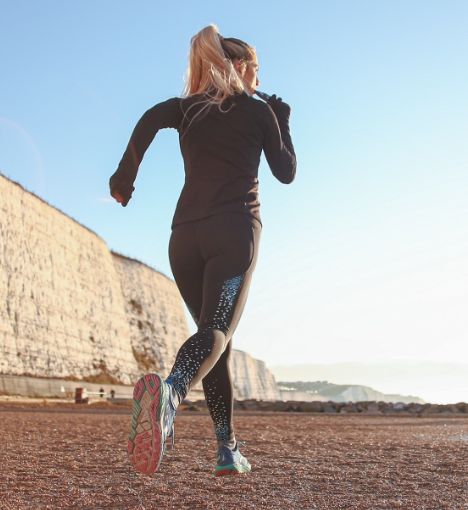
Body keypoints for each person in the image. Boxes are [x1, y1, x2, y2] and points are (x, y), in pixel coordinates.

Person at [110, 24, 296, 476]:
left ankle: (227, 448)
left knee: (212, 343)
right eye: (255, 67)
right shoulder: (258, 111)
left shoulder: (186, 108)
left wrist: (124, 177)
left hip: (184, 238)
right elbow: (286, 171)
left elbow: (149, 119)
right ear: (240, 67)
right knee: (216, 332)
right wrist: (282, 121)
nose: (257, 76)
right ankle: (170, 396)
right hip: (233, 232)